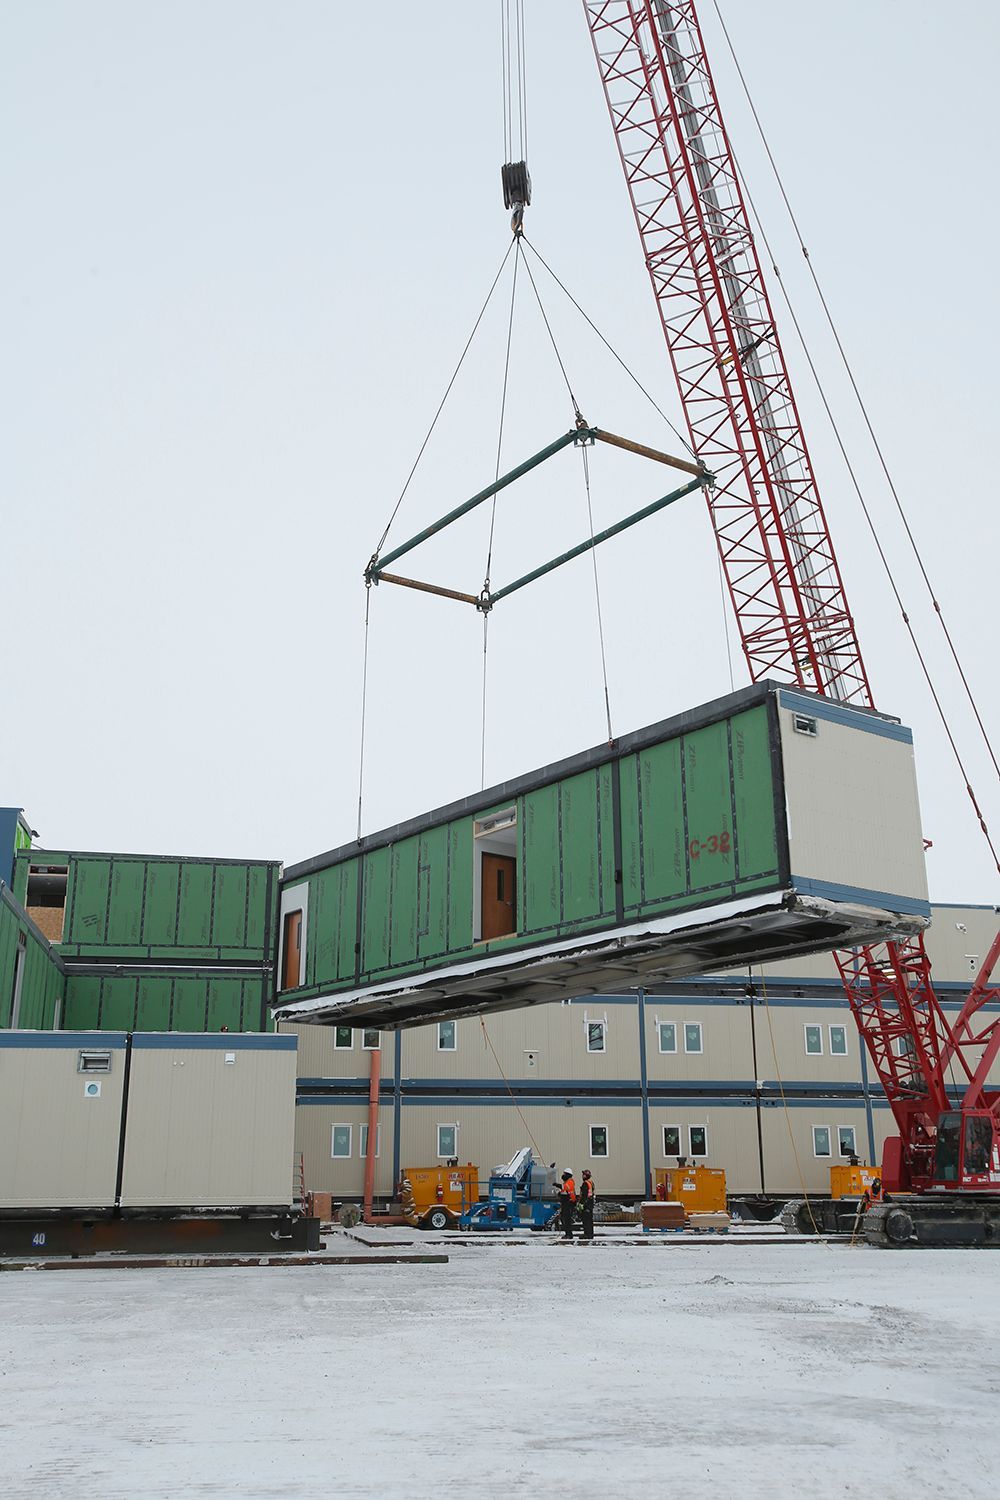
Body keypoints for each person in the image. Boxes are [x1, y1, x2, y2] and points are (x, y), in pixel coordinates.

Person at [558, 1170, 576, 1240]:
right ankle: (567, 1234)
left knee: (567, 1219)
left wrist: (557, 1185)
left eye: (564, 1174)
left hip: (568, 1203)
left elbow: (567, 1189)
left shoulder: (569, 1182)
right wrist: (560, 1193)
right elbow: (564, 1190)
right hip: (565, 1203)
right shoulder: (567, 1182)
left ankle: (569, 1234)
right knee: (564, 1219)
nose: (563, 1175)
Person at [579, 1168, 596, 1240]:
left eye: (583, 1175)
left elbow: (584, 1195)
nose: (582, 1176)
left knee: (586, 1220)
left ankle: (587, 1234)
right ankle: (590, 1234)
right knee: (589, 1219)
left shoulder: (585, 1183)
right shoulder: (591, 1182)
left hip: (586, 1203)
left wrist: (581, 1203)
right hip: (590, 1202)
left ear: (586, 1176)